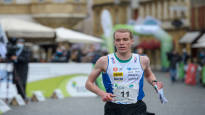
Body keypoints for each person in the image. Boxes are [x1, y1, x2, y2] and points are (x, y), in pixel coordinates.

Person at [85, 29, 164, 115]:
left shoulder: (143, 60)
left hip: (137, 107)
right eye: (118, 40)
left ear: (132, 41)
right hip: (113, 108)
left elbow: (148, 75)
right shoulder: (104, 61)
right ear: (114, 42)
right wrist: (102, 93)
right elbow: (89, 83)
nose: (121, 43)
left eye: (125, 39)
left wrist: (155, 83)